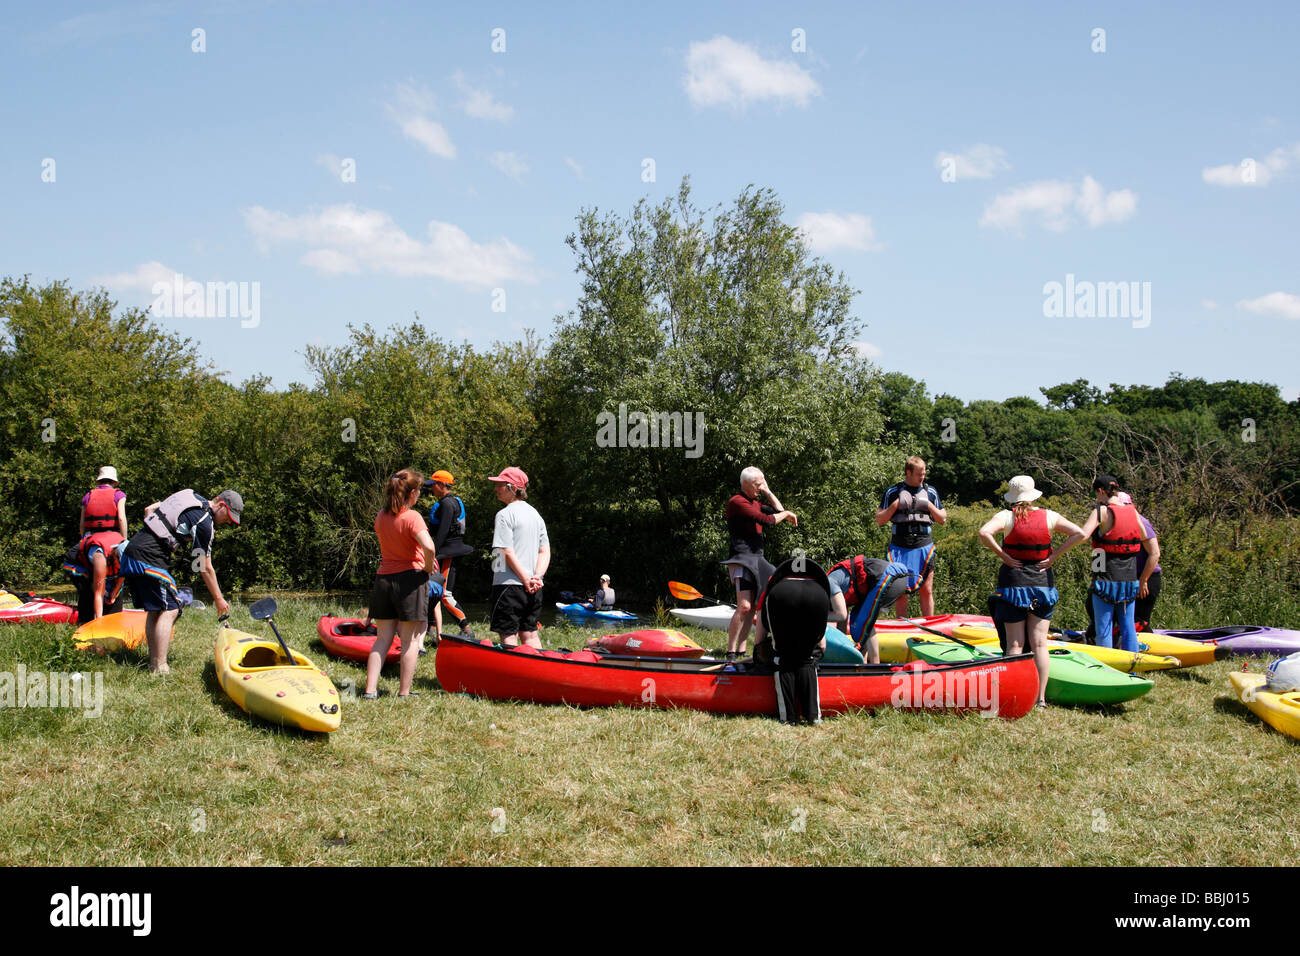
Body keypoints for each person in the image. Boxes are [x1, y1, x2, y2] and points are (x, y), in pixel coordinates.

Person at [978, 475, 1087, 709]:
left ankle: (1012, 695)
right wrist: (1054, 556)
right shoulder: (1050, 516)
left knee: (1014, 645)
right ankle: (1040, 699)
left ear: (1012, 498)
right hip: (1042, 584)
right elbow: (1080, 533)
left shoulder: (1006, 517)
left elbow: (984, 533)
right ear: (1034, 494)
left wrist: (1004, 556)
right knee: (1039, 644)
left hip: (1013, 585)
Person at [119, 488, 242, 673]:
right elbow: (203, 567)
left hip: (132, 550)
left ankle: (154, 663)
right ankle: (160, 667)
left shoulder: (189, 495)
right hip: (149, 557)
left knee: (157, 609)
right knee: (171, 609)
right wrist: (218, 598)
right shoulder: (204, 522)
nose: (227, 522)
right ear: (221, 505)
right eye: (228, 517)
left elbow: (148, 510)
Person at [364, 469, 437, 699]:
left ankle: (369, 690)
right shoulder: (412, 517)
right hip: (409, 580)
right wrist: (427, 566)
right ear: (413, 493)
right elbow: (430, 547)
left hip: (384, 579)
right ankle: (404, 692)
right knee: (411, 640)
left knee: (382, 639)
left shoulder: (380, 516)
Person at [1072, 475, 1160, 653]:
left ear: (1101, 491)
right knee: (1128, 629)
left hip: (1105, 581)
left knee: (1103, 629)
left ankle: (1107, 673)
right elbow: (1143, 536)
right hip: (1129, 580)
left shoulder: (1101, 511)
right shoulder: (1133, 512)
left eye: (1095, 494)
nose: (1096, 499)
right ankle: (1132, 669)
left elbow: (1083, 535)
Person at [723, 467, 798, 660]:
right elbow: (768, 521)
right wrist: (786, 514)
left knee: (755, 605)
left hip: (758, 558)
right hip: (742, 558)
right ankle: (730, 651)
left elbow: (779, 511)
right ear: (746, 484)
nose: (761, 488)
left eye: (762, 484)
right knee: (744, 606)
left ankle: (741, 649)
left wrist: (767, 491)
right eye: (758, 485)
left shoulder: (755, 501)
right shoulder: (737, 502)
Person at [752, 557, 831, 725]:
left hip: (782, 596)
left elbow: (759, 639)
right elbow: (822, 644)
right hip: (819, 594)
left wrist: (759, 654)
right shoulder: (816, 583)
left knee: (784, 659)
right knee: (807, 659)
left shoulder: (771, 587)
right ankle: (814, 718)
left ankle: (788, 718)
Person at [1085, 490, 1163, 638]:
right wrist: (1096, 580)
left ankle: (1146, 649)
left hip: (1144, 577)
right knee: (1092, 606)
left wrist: (1143, 580)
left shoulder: (1140, 522)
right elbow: (1099, 551)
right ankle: (1097, 639)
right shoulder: (1105, 522)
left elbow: (1155, 553)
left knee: (1137, 621)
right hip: (1117, 578)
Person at [876, 457, 946, 618]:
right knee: (901, 591)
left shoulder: (931, 492)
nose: (923, 477)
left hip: (923, 545)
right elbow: (880, 520)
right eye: (919, 474)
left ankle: (928, 624)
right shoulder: (892, 492)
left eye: (924, 473)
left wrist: (928, 505)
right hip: (899, 546)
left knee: (926, 589)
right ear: (908, 472)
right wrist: (896, 505)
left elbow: (942, 518)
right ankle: (902, 624)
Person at [488, 467, 549, 648]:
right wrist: (537, 577)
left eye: (499, 485)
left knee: (509, 636)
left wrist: (525, 579)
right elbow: (544, 551)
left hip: (508, 586)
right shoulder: (536, 516)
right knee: (530, 634)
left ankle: (512, 675)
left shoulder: (504, 515)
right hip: (534, 588)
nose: (496, 489)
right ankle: (538, 673)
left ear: (511, 487)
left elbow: (506, 551)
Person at [826, 555, 910, 664]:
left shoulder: (829, 583)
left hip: (890, 579)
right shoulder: (832, 592)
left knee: (863, 623)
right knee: (861, 623)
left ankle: (875, 667)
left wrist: (817, 616)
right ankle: (864, 663)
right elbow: (842, 624)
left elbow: (841, 614)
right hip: (892, 580)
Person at [422, 470, 475, 639]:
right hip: (449, 551)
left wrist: (432, 554)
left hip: (447, 553)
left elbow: (443, 531)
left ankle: (465, 627)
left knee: (444, 594)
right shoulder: (454, 502)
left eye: (434, 486)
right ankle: (430, 627)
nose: (432, 490)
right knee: (431, 589)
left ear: (442, 485)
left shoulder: (446, 504)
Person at [77, 465, 129, 620]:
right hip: (114, 538)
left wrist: (84, 541)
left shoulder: (88, 495)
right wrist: (123, 539)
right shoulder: (118, 495)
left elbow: (82, 524)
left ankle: (95, 619)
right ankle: (114, 594)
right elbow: (121, 518)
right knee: (126, 564)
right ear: (114, 481)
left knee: (97, 588)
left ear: (99, 481)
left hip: (94, 542)